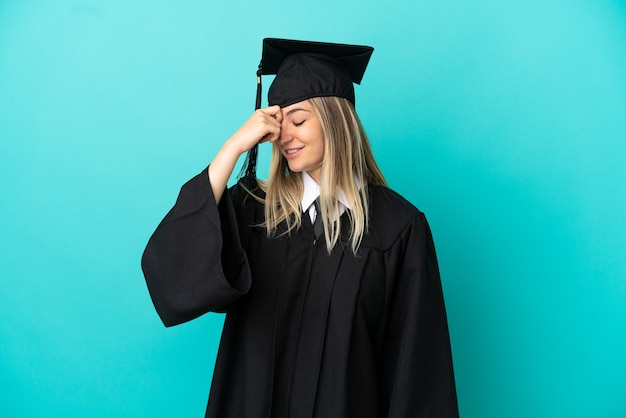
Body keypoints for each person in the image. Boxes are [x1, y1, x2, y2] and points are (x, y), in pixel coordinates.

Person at [142, 38, 459, 418]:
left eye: (299, 120)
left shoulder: (397, 229)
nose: (284, 136)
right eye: (278, 122)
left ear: (335, 121)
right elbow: (174, 276)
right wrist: (231, 150)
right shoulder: (256, 213)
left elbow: (417, 372)